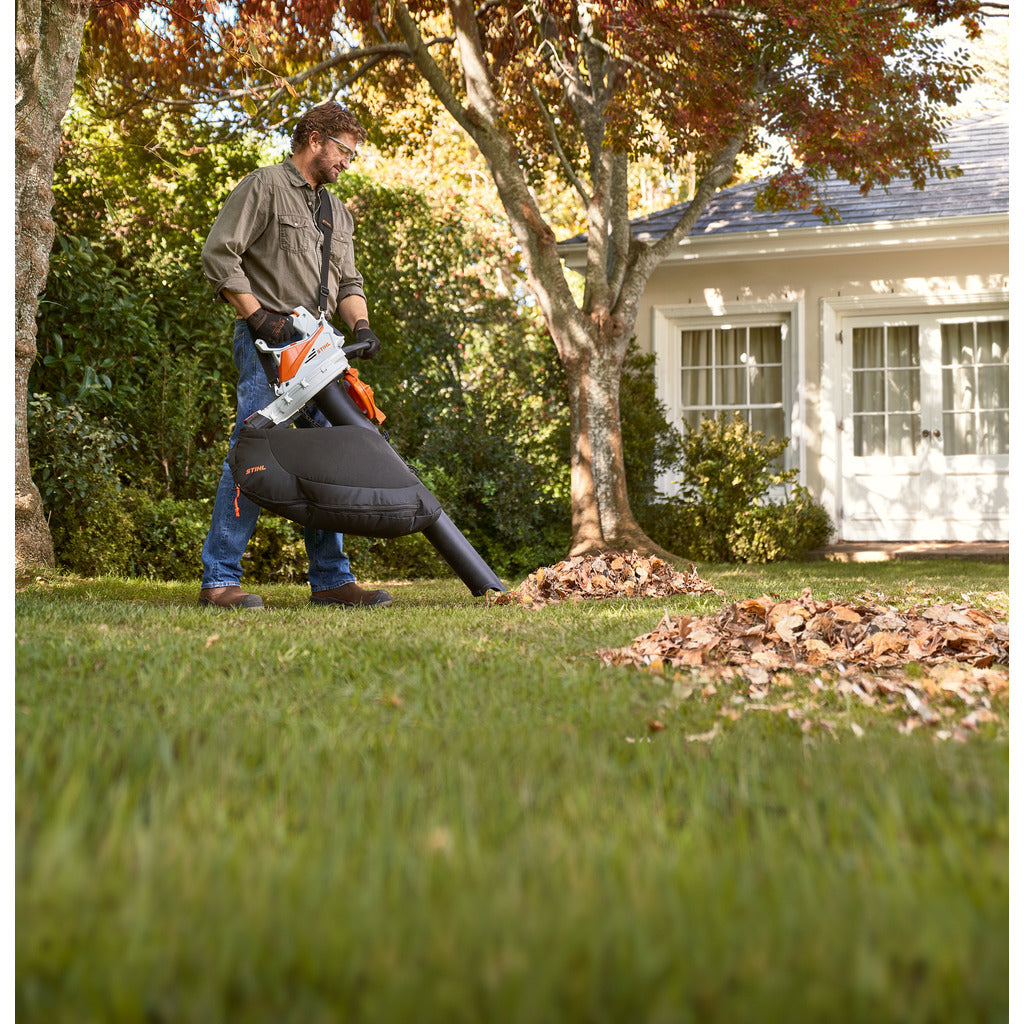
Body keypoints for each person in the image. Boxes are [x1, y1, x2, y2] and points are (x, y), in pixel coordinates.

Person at [197, 101, 392, 610]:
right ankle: (219, 579)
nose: (348, 162)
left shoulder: (336, 211)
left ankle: (330, 580)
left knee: (332, 455)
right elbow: (219, 253)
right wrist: (256, 315)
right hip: (267, 343)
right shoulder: (264, 187)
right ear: (315, 139)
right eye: (345, 151)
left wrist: (362, 325)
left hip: (320, 349)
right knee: (253, 447)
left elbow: (348, 281)